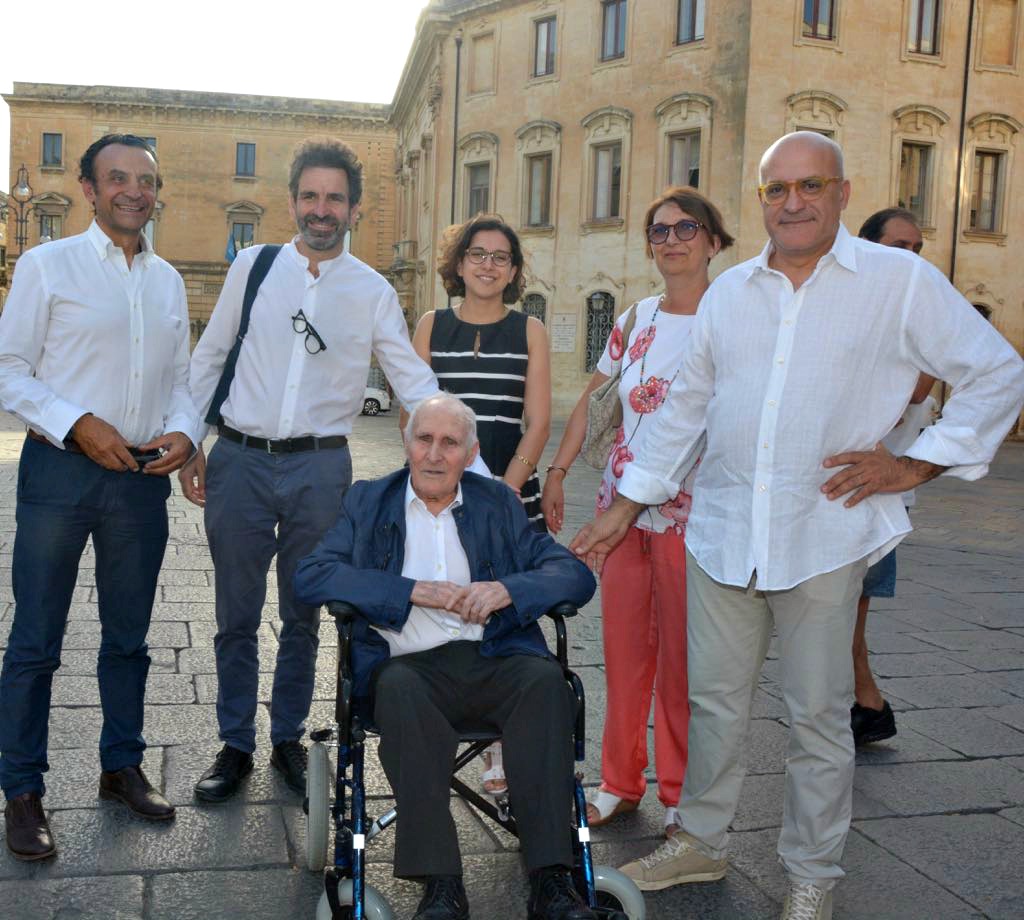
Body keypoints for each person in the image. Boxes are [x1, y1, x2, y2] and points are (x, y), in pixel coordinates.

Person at [570, 132, 1024, 920]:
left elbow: (997, 371)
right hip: (721, 530)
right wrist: (625, 506)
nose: (794, 202)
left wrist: (918, 462)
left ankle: (812, 872)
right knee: (714, 705)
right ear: (761, 202)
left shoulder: (898, 281)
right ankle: (701, 842)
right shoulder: (732, 291)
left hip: (824, 532)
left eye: (811, 185)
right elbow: (685, 409)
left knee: (817, 718)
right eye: (777, 189)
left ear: (843, 193)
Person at [181, 137, 439, 803]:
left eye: (334, 198)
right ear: (293, 200)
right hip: (239, 460)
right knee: (235, 614)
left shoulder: (373, 291)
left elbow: (413, 380)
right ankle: (235, 742)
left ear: (354, 208)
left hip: (321, 472)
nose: (320, 209)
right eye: (310, 196)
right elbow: (209, 358)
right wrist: (189, 441)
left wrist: (460, 450)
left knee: (304, 614)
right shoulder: (254, 267)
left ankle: (285, 737)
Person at [294, 393, 598, 920]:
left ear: (470, 452)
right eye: (424, 439)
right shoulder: (368, 501)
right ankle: (441, 885)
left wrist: (508, 588)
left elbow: (573, 574)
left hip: (496, 658)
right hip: (409, 670)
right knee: (399, 689)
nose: (434, 454)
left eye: (449, 443)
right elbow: (312, 574)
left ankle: (552, 880)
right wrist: (409, 590)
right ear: (406, 441)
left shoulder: (498, 503)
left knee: (547, 684)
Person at [0, 135, 198, 859]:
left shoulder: (169, 280)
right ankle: (22, 790)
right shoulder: (46, 266)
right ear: (88, 188)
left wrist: (184, 431)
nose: (133, 191)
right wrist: (77, 424)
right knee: (35, 642)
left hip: (141, 480)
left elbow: (182, 377)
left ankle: (121, 766)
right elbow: (8, 369)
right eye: (118, 178)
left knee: (128, 639)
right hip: (59, 474)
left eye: (146, 180)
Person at [540, 187, 733, 836]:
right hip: (618, 516)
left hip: (694, 520)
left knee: (684, 665)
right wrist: (559, 469)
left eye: (686, 228)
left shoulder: (731, 318)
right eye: (659, 231)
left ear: (713, 239)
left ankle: (679, 795)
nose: (672, 240)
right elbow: (594, 402)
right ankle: (621, 782)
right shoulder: (636, 317)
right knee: (623, 659)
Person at [408, 214, 551, 794]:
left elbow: (537, 422)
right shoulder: (429, 324)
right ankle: (437, 717)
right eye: (478, 253)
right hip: (441, 489)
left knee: (505, 615)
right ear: (459, 262)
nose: (488, 265)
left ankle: (499, 743)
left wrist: (504, 492)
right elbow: (412, 415)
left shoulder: (530, 331)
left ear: (513, 271)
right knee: (444, 602)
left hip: (508, 492)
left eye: (501, 257)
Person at [850, 207, 935, 746]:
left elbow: (918, 389)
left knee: (847, 616)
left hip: (879, 496)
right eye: (899, 246)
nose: (910, 258)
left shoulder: (917, 312)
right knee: (843, 617)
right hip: (853, 489)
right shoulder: (869, 308)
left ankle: (867, 704)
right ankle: (865, 703)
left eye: (916, 249)